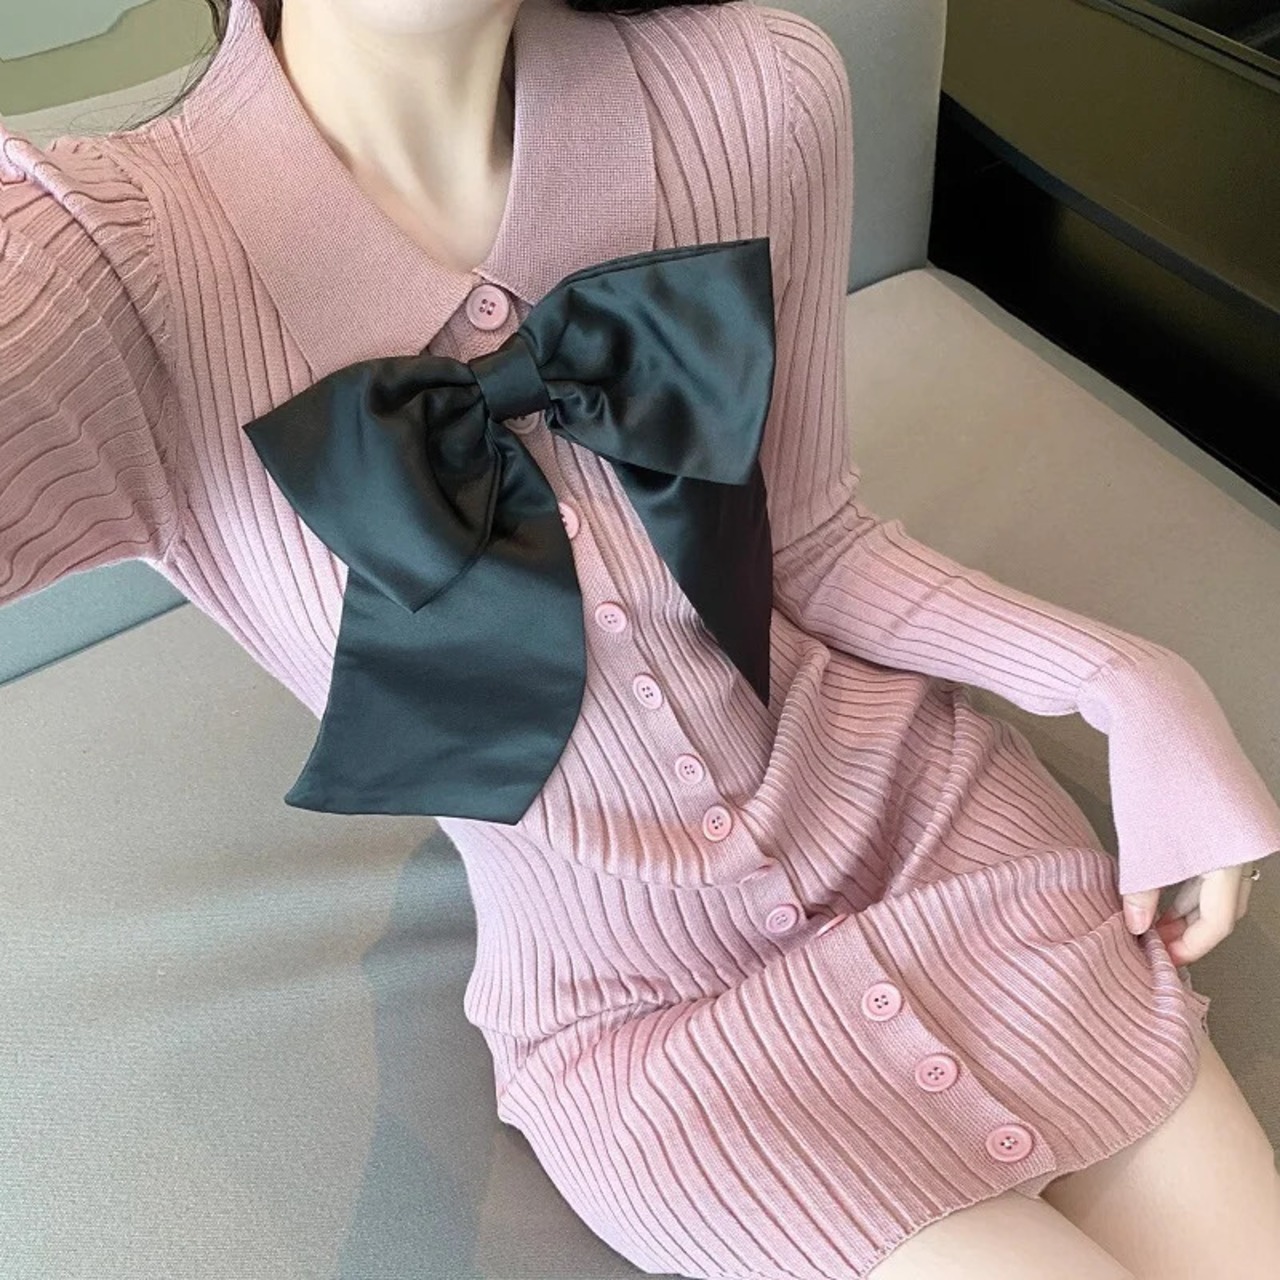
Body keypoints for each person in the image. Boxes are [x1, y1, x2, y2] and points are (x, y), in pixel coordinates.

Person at [2, 0, 1279, 1275]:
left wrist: (1129, 684)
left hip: (942, 839)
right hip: (648, 1026)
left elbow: (813, 540)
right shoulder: (93, 260)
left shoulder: (752, 89)